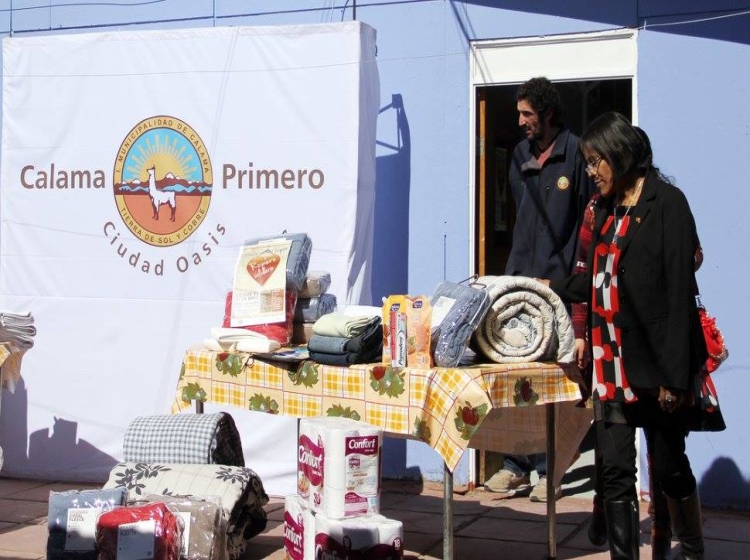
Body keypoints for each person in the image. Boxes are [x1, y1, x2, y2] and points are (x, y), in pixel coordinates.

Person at [547, 111, 723, 559]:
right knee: (617, 473)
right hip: (610, 362)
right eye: (587, 163)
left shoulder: (669, 204)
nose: (589, 171)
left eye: (594, 161)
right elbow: (593, 277)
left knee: (667, 465)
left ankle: (691, 548)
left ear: (620, 156)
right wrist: (544, 286)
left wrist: (673, 377)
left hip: (658, 361)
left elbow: (678, 295)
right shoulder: (601, 209)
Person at [483, 76, 594, 502]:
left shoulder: (576, 154)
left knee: (553, 382)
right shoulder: (519, 155)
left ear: (548, 113)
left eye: (527, 114)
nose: (521, 121)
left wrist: (572, 279)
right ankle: (515, 466)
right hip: (519, 285)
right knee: (516, 376)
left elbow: (586, 224)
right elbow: (518, 211)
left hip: (559, 287)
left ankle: (550, 470)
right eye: (519, 114)